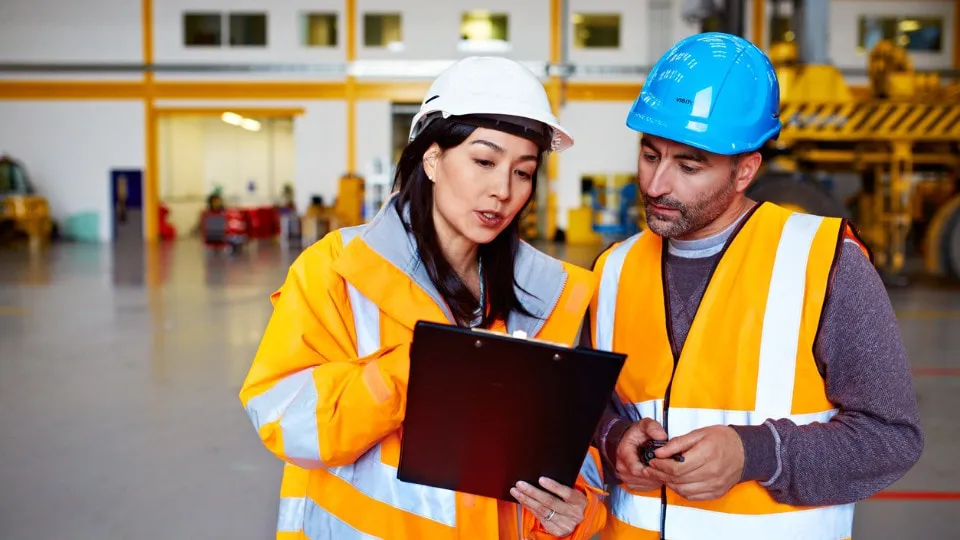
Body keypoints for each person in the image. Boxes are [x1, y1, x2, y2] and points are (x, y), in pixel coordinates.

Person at [239, 56, 608, 540]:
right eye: (483, 160)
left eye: (523, 172)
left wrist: (577, 513)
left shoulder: (555, 297)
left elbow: (576, 454)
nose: (503, 190)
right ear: (432, 158)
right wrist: (418, 367)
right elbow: (284, 420)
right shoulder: (338, 270)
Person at [588, 32, 923, 539]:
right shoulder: (612, 269)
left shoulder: (825, 263)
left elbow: (890, 438)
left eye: (688, 165)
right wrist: (613, 437)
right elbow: (586, 404)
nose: (656, 185)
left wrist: (756, 454)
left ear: (746, 170)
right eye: (650, 154)